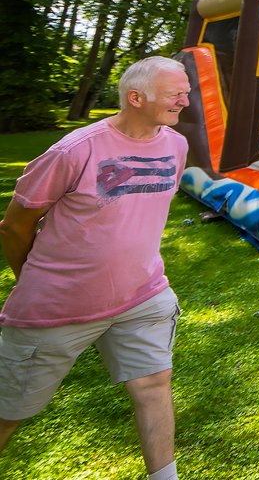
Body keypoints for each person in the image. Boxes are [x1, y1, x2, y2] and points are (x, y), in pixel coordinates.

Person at [0, 57, 191, 480]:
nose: (186, 99)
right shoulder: (74, 150)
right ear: (136, 97)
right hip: (55, 307)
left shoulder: (175, 145)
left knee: (153, 384)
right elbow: (14, 226)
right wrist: (34, 278)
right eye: (176, 92)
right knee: (9, 411)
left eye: (187, 91)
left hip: (144, 295)